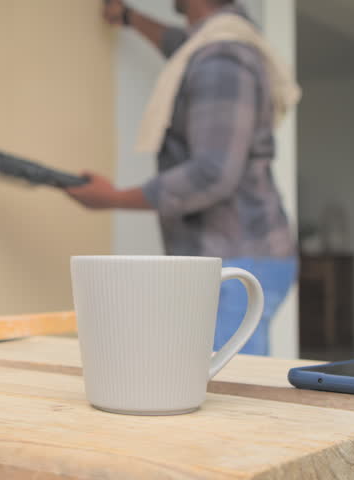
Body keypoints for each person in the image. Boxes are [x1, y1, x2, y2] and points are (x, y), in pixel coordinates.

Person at [64, 0, 300, 355]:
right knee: (220, 388)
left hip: (235, 261)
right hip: (244, 253)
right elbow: (181, 47)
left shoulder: (222, 58)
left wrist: (110, 199)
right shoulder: (216, 42)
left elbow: (212, 174)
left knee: (228, 397)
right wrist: (131, 18)